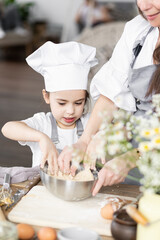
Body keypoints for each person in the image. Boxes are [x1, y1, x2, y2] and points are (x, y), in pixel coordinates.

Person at [58, 0, 160, 195]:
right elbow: (111, 92)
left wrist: (131, 159)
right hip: (134, 148)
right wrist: (85, 140)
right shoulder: (138, 30)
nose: (144, 6)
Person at [1, 41, 98, 174]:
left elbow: (122, 132)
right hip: (42, 187)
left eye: (78, 103)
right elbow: (7, 128)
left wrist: (100, 139)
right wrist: (41, 138)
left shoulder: (89, 123)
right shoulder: (43, 123)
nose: (70, 111)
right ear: (46, 96)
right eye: (62, 103)